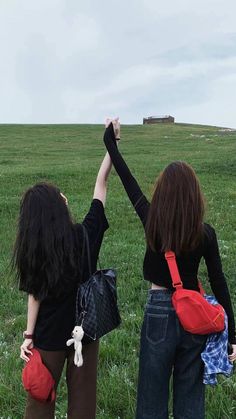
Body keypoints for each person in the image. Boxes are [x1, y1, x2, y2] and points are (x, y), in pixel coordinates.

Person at [103, 121, 236, 419]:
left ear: (162, 195)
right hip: (195, 317)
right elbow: (219, 282)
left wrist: (111, 140)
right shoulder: (206, 233)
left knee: (151, 401)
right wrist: (233, 336)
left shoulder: (153, 221)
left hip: (159, 313)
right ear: (195, 197)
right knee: (190, 401)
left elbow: (127, 179)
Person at [13, 149, 113, 419]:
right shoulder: (85, 235)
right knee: (83, 406)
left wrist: (29, 335)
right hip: (87, 333)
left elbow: (35, 294)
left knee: (40, 400)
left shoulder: (34, 247)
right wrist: (112, 144)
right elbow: (101, 185)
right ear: (59, 208)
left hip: (49, 336)